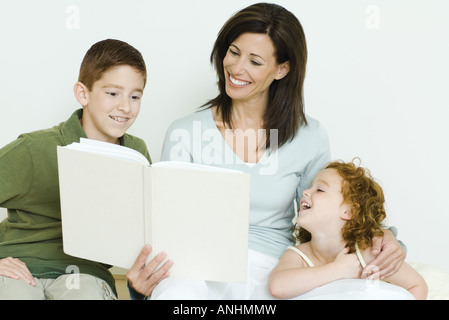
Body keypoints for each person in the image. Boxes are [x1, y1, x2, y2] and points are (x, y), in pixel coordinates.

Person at [128, 2, 405, 299]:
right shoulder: (184, 132)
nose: (237, 68)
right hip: (198, 268)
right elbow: (168, 224)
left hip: (273, 270)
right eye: (233, 52)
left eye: (255, 62)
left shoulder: (309, 136)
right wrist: (139, 287)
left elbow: (328, 214)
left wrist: (383, 236)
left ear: (282, 69)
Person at [0, 39, 172, 299]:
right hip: (21, 267)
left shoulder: (136, 153)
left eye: (135, 96)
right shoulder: (34, 149)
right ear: (83, 94)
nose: (125, 106)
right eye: (113, 93)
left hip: (86, 275)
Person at [269, 159, 428, 300]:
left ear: (348, 212)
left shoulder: (366, 255)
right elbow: (277, 287)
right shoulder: (299, 255)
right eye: (310, 187)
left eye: (320, 189)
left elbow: (417, 285)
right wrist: (337, 270)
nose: (305, 192)